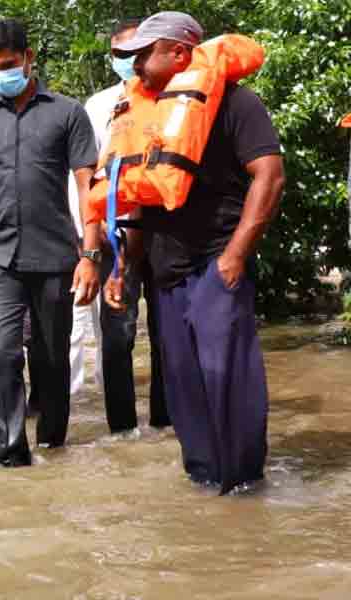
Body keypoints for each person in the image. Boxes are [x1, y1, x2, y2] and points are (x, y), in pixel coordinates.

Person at [104, 12, 285, 493]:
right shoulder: (144, 114)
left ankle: (246, 489)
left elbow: (270, 175)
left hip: (216, 261)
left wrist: (236, 256)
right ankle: (206, 488)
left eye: (145, 53)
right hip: (167, 270)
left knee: (227, 377)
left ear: (180, 53)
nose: (135, 65)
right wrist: (123, 268)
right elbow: (140, 200)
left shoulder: (237, 103)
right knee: (183, 388)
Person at [0, 19, 102, 467]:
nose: (2, 74)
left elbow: (86, 186)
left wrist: (90, 255)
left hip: (54, 253)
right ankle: (13, 457)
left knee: (52, 358)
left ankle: (54, 443)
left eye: (10, 64)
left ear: (29, 58)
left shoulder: (67, 113)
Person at [78, 18, 171, 434]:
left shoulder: (176, 97)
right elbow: (85, 181)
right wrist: (89, 243)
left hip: (168, 230)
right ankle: (121, 429)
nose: (127, 62)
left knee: (167, 331)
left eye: (135, 52)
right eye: (119, 54)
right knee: (116, 335)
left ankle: (167, 421)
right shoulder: (97, 107)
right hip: (115, 234)